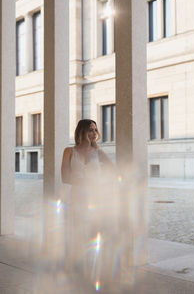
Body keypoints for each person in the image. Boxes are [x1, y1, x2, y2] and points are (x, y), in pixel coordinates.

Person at [61, 119, 119, 291]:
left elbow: (113, 171)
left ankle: (93, 269)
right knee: (77, 231)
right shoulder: (69, 151)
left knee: (94, 232)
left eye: (95, 130)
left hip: (96, 197)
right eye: (90, 130)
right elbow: (64, 177)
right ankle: (76, 267)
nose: (94, 133)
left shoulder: (98, 152)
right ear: (81, 132)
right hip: (78, 196)